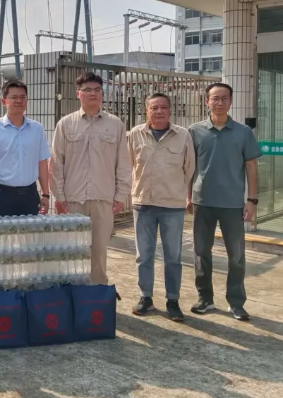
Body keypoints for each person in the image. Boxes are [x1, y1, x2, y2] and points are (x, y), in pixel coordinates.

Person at [187, 82, 261, 322]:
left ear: (231, 101)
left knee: (236, 255)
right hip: (202, 202)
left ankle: (236, 303)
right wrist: (188, 196)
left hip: (233, 204)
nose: (219, 102)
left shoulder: (243, 132)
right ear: (206, 101)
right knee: (201, 252)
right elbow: (189, 167)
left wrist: (252, 200)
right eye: (215, 98)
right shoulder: (194, 131)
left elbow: (251, 166)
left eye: (224, 98)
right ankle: (205, 298)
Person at [50, 71, 132, 285]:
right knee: (72, 250)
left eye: (97, 90)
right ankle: (72, 293)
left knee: (99, 251)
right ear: (78, 93)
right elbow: (56, 163)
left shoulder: (115, 124)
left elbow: (123, 163)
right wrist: (59, 196)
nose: (93, 94)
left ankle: (96, 295)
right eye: (87, 90)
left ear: (102, 94)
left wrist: (120, 195)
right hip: (72, 200)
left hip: (103, 199)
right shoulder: (65, 124)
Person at [128, 93, 195, 322]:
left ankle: (172, 300)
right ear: (146, 110)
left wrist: (184, 196)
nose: (159, 111)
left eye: (163, 107)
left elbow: (189, 169)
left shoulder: (183, 135)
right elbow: (128, 165)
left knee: (173, 256)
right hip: (143, 204)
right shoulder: (135, 134)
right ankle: (145, 297)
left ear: (170, 110)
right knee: (143, 255)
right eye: (154, 108)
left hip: (172, 206)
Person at [0, 79, 51, 216]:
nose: (19, 101)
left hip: (29, 196)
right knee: (1, 231)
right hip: (1, 196)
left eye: (22, 97)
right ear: (4, 101)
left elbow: (42, 163)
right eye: (13, 97)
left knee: (31, 230)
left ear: (27, 101)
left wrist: (45, 194)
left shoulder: (37, 129)